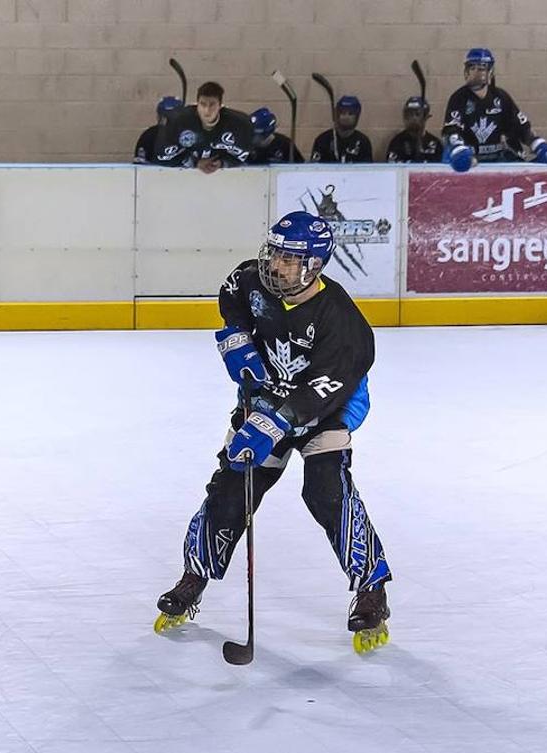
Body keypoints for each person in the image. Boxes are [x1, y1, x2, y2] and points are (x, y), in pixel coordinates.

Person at [153, 211, 392, 653]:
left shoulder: (344, 324)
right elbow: (232, 295)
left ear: (314, 265)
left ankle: (372, 587)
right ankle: (194, 576)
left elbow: (327, 389)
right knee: (231, 489)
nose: (275, 265)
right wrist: (237, 340)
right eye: (274, 252)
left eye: (289, 258)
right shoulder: (251, 282)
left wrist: (274, 422)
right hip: (265, 397)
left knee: (326, 492)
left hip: (327, 412)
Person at [441, 48, 547, 172]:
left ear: (490, 72)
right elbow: (452, 131)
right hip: (471, 160)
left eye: (481, 69)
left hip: (497, 158)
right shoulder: (459, 98)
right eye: (472, 68)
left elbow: (521, 127)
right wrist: (458, 150)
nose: (476, 73)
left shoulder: (501, 97)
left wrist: (537, 144)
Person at [157, 81, 253, 173]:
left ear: (220, 106)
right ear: (197, 104)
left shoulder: (239, 124)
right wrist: (194, 162)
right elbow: (163, 156)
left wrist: (222, 163)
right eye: (203, 104)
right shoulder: (178, 122)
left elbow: (241, 157)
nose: (207, 110)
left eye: (212, 105)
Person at [310, 96, 373, 163]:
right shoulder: (322, 140)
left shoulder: (363, 142)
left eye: (350, 114)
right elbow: (315, 168)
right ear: (337, 115)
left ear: (357, 116)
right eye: (343, 113)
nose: (346, 117)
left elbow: (366, 170)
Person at [386, 96, 442, 163]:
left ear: (426, 117)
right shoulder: (397, 142)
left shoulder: (435, 144)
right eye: (409, 114)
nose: (413, 118)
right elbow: (393, 168)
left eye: (417, 114)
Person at [134, 96, 184, 165]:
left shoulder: (189, 135)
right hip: (155, 174)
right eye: (163, 117)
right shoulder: (149, 135)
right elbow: (140, 164)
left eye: (173, 118)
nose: (168, 123)